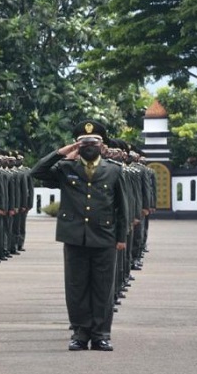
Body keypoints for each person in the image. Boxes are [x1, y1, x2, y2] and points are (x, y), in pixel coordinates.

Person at [30, 120, 129, 351]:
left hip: (104, 237)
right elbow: (37, 172)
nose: (89, 145)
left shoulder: (114, 170)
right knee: (76, 288)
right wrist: (62, 153)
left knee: (103, 288)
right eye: (83, 142)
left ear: (102, 145)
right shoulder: (66, 168)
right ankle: (80, 333)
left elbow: (122, 207)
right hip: (75, 237)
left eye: (94, 141)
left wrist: (121, 237)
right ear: (77, 145)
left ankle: (101, 334)